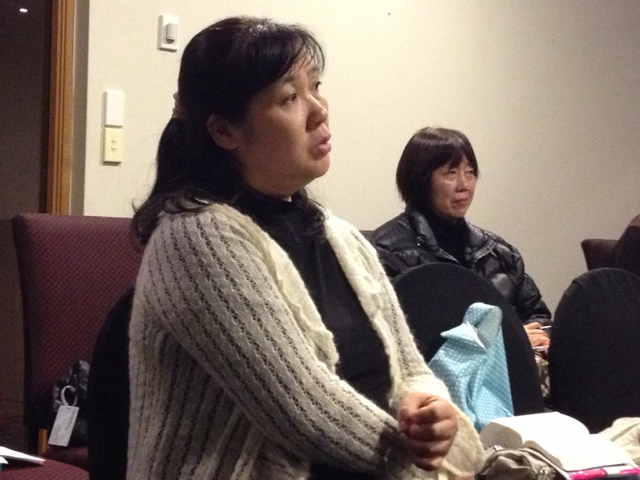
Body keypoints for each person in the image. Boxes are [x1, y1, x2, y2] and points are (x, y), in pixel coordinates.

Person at [128, 17, 483, 480]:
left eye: (315, 87)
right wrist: (427, 467)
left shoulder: (342, 237)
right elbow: (305, 411)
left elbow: (410, 368)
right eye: (289, 98)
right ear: (224, 131)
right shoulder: (194, 236)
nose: (319, 111)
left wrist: (429, 408)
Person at [369, 127, 551, 348]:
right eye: (451, 173)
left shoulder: (500, 253)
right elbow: (403, 341)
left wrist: (533, 341)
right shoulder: (383, 252)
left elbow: (539, 319)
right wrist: (507, 342)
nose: (464, 185)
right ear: (420, 180)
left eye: (470, 172)